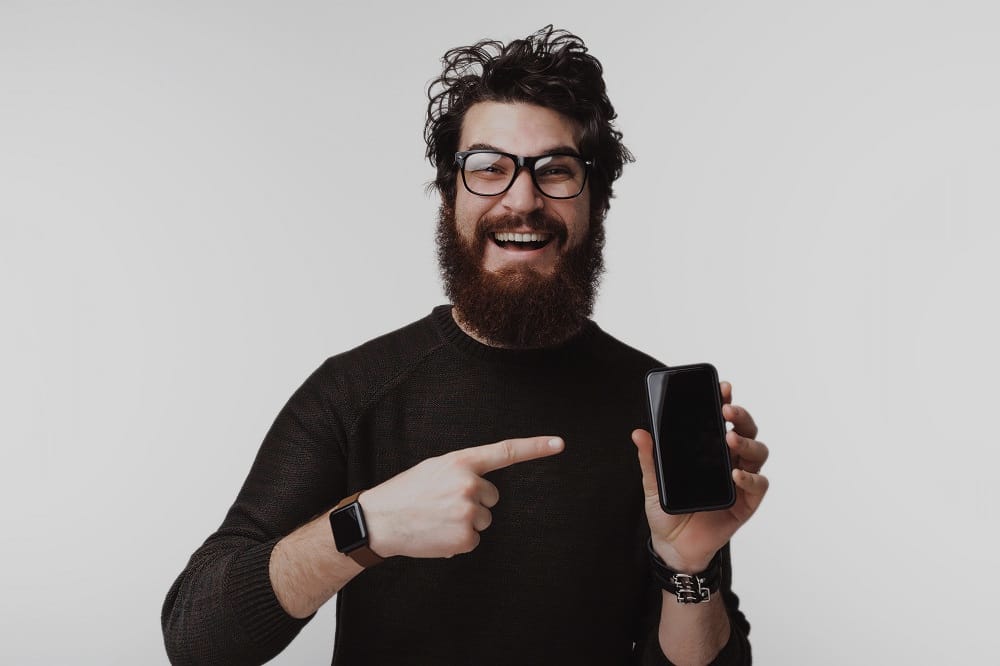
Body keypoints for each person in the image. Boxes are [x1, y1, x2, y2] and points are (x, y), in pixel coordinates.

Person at [162, 25, 770, 666]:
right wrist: (366, 527)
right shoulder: (354, 393)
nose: (522, 200)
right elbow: (198, 639)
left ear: (597, 200)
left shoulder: (657, 411)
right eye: (488, 168)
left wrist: (688, 569)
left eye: (555, 171)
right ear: (450, 193)